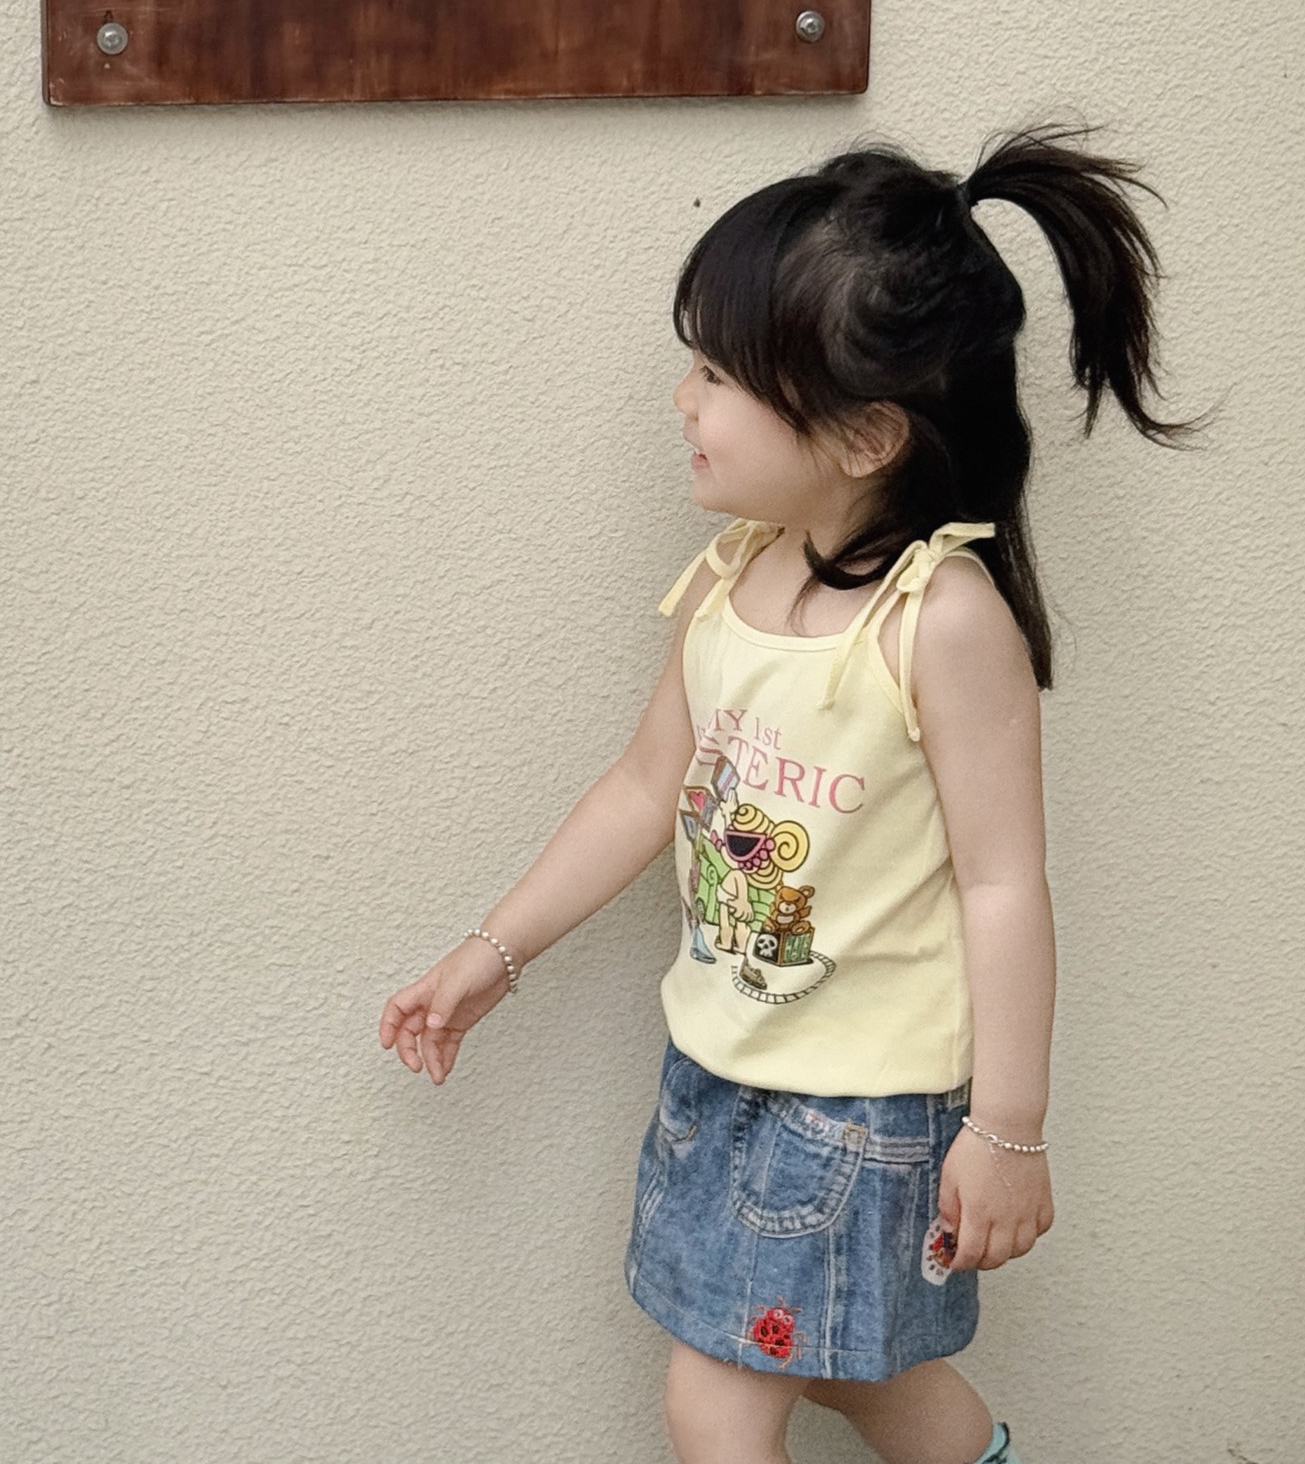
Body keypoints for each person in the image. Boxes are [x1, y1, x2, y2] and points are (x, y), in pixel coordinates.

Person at [379, 127, 1189, 1464]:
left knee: (716, 1401)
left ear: (867, 433)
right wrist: (495, 950)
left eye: (720, 375)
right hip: (721, 1073)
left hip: (857, 1114)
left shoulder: (942, 620)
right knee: (864, 1379)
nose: (683, 401)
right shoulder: (734, 579)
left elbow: (1002, 883)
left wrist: (1010, 1129)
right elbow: (646, 785)